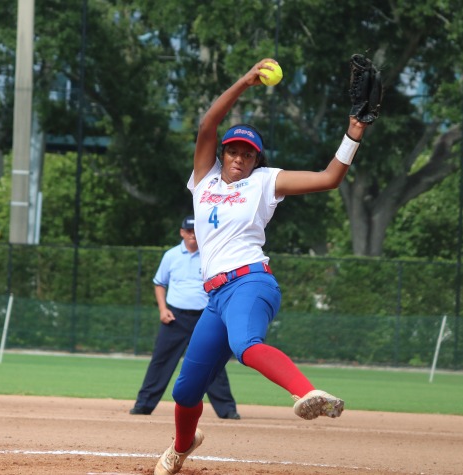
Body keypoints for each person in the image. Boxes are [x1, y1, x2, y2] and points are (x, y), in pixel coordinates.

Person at [154, 57, 376, 475]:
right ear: (222, 153)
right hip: (215, 297)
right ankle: (182, 447)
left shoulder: (265, 181)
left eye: (248, 153)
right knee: (185, 392)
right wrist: (245, 81)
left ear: (257, 159)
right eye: (234, 150)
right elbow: (207, 123)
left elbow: (330, 178)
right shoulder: (205, 180)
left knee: (246, 346)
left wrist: (354, 134)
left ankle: (307, 394)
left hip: (251, 282)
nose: (240, 157)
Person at [130, 215, 240, 420]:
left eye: (196, 231)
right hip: (175, 317)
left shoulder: (210, 255)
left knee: (213, 362)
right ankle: (143, 405)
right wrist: (163, 309)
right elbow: (159, 283)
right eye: (189, 231)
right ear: (182, 232)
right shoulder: (171, 255)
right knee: (161, 361)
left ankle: (227, 410)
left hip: (204, 317)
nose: (192, 235)